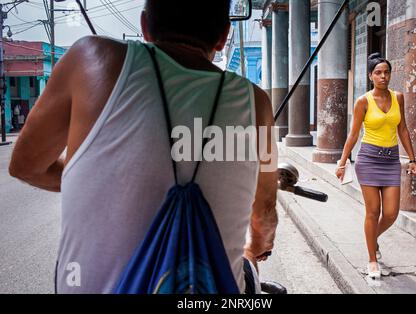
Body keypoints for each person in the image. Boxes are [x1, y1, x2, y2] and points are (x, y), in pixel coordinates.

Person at [9, 0, 278, 294]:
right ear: (223, 36)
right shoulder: (257, 103)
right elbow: (264, 213)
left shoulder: (90, 58)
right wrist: (255, 251)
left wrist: (105, 179)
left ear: (145, 27)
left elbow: (26, 165)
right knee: (247, 271)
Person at [336, 53, 416, 279]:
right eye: (378, 73)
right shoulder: (363, 101)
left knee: (391, 213)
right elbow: (353, 134)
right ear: (371, 76)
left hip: (391, 160)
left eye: (386, 72)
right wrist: (342, 163)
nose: (383, 76)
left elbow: (403, 129)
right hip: (369, 159)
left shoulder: (398, 97)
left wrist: (412, 159)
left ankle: (372, 239)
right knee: (373, 212)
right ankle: (372, 259)